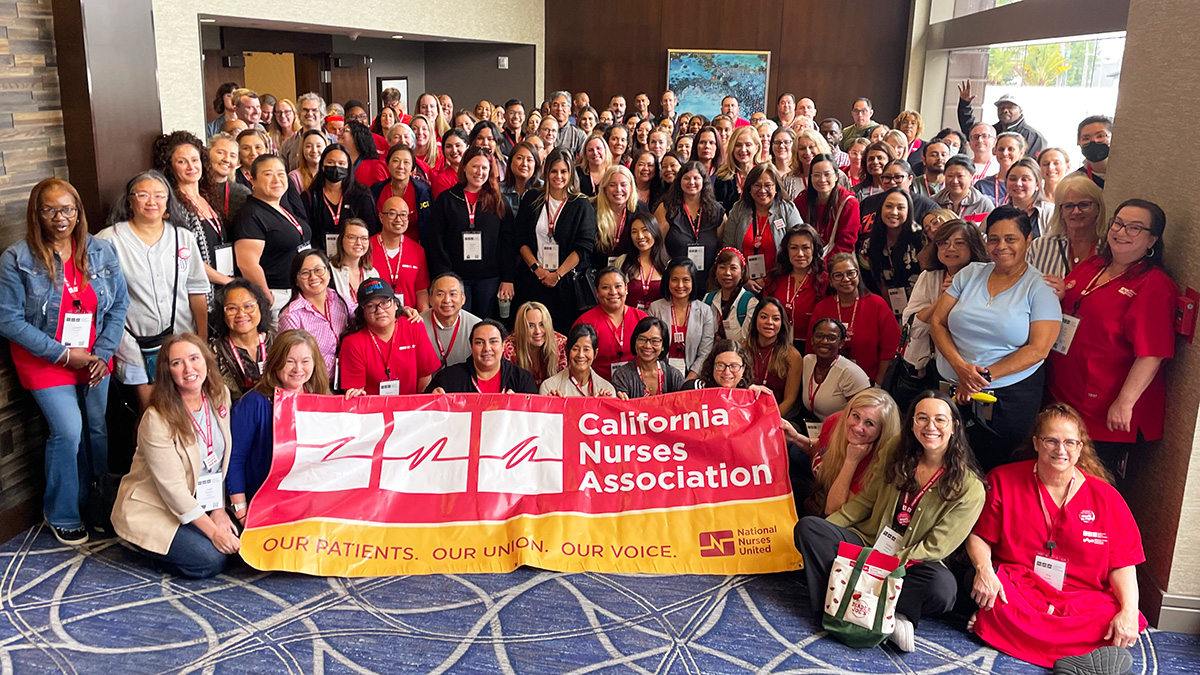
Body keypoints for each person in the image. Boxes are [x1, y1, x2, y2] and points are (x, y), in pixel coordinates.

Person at [798, 390, 985, 652]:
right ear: (912, 423)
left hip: (910, 563)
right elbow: (866, 501)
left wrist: (881, 567)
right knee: (810, 529)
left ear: (953, 427)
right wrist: (831, 526)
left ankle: (881, 609)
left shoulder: (970, 488)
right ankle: (834, 609)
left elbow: (936, 547)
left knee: (943, 588)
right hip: (869, 542)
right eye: (922, 418)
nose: (930, 426)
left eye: (939, 420)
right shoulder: (896, 450)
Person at [967, 404, 1146, 673]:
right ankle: (1084, 655)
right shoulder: (1003, 480)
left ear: (1081, 446)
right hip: (1022, 589)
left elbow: (1122, 564)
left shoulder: (1108, 498)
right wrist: (984, 570)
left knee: (1112, 613)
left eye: (1070, 442)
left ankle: (1025, 641)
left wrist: (1130, 610)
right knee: (999, 597)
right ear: (1037, 443)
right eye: (1051, 441)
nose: (1061, 450)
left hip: (1081, 597)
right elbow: (979, 536)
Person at [0, 179, 128, 544]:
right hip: (46, 359)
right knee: (69, 431)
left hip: (93, 357)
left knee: (97, 431)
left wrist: (102, 353)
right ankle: (62, 511)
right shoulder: (17, 259)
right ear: (36, 213)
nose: (60, 217)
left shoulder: (100, 251)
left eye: (68, 209)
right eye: (50, 209)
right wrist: (63, 355)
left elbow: (119, 304)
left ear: (78, 212)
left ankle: (99, 505)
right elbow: (7, 319)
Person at [1049, 199, 1175, 479]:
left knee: (1092, 488)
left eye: (1135, 228)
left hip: (1104, 408)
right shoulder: (1094, 264)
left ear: (1152, 239)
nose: (1121, 232)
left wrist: (1125, 402)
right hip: (1064, 393)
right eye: (1118, 223)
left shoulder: (1153, 285)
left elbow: (1152, 353)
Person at [930, 206, 1061, 471]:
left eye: (1010, 239)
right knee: (944, 463)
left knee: (995, 469)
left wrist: (980, 378)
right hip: (951, 385)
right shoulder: (969, 273)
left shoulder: (1040, 288)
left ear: (1028, 240)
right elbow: (937, 322)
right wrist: (960, 368)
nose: (1001, 246)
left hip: (1008, 398)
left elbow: (1038, 349)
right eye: (993, 239)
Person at [110, 334, 236, 578]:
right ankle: (141, 546)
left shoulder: (219, 395)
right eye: (177, 363)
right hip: (156, 507)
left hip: (199, 498)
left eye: (194, 358)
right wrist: (213, 532)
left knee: (239, 537)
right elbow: (173, 491)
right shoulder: (156, 418)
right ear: (168, 372)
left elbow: (216, 463)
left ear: (207, 362)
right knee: (211, 559)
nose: (189, 368)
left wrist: (219, 509)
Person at [99, 171, 209, 410]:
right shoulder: (108, 241)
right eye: (143, 195)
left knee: (186, 406)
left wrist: (201, 340)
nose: (152, 202)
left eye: (160, 196)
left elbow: (197, 292)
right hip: (132, 341)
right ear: (130, 201)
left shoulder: (184, 238)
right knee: (150, 412)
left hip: (181, 337)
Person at [228, 329, 332, 516]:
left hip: (310, 504)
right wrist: (242, 512)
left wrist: (352, 404)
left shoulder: (320, 396)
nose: (298, 369)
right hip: (264, 506)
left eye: (305, 361)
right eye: (290, 361)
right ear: (275, 362)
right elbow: (235, 459)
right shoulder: (253, 403)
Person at [900, 220, 989, 405]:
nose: (950, 248)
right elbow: (913, 328)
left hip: (973, 366)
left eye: (959, 243)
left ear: (972, 246)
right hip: (931, 364)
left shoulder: (986, 278)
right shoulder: (929, 276)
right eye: (944, 243)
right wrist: (944, 297)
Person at [427, 145, 515, 319]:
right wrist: (445, 276)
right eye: (475, 166)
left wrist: (508, 278)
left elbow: (508, 241)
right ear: (465, 166)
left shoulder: (499, 201)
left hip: (490, 279)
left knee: (485, 325)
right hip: (456, 279)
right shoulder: (447, 199)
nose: (479, 172)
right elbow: (435, 240)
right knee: (458, 325)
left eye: (484, 168)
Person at [515, 147, 596, 327]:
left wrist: (557, 275)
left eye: (563, 171)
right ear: (546, 171)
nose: (558, 176)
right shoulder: (531, 198)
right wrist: (538, 269)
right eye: (553, 171)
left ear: (570, 173)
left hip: (567, 283)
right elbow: (520, 239)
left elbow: (584, 247)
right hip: (533, 279)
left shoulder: (581, 204)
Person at [233, 155, 312, 322]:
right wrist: (267, 297)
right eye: (268, 174)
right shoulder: (251, 214)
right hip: (277, 295)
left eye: (281, 174)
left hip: (298, 292)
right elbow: (247, 264)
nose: (277, 179)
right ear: (251, 179)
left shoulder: (281, 207)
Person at [153, 131, 235, 289]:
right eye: (182, 162)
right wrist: (227, 281)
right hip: (200, 290)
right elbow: (187, 256)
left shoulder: (207, 197)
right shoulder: (174, 205)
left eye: (194, 160)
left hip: (223, 286)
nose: (191, 167)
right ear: (170, 167)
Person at [802, 387, 901, 517]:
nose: (858, 427)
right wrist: (795, 437)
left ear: (882, 432)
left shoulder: (882, 463)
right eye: (856, 416)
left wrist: (851, 461)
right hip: (820, 492)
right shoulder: (836, 422)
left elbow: (833, 511)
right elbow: (820, 450)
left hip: (841, 521)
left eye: (870, 423)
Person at [339, 278, 440, 396]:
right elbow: (356, 393)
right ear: (362, 312)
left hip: (412, 409)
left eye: (385, 302)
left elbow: (425, 375)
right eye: (371, 306)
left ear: (396, 305)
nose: (380, 310)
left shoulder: (413, 327)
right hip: (372, 411)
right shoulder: (352, 343)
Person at [811, 253, 900, 385]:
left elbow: (890, 349)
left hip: (870, 383)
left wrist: (879, 384)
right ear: (830, 280)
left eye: (851, 273)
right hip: (829, 384)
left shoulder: (877, 304)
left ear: (858, 275)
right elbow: (812, 349)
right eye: (838, 275)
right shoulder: (822, 308)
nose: (846, 279)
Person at [721, 164, 802, 290]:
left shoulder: (787, 210)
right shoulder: (738, 210)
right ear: (749, 188)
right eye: (757, 185)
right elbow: (729, 248)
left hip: (781, 281)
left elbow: (799, 246)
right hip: (743, 285)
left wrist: (774, 277)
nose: (762, 190)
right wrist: (743, 279)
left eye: (768, 185)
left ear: (776, 188)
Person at [276, 249, 348, 380]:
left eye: (318, 270)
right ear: (296, 280)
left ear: (329, 273)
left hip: (345, 379)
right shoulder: (291, 316)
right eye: (305, 273)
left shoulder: (339, 300)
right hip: (312, 385)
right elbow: (289, 362)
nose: (313, 277)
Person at [1027, 174, 1107, 282]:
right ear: (1060, 211)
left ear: (1098, 208)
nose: (1076, 211)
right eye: (1068, 206)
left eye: (1084, 204)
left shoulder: (1109, 249)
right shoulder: (1039, 247)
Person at [573, 267, 649, 380]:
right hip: (597, 387)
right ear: (597, 292)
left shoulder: (641, 319)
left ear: (626, 288)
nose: (613, 292)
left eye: (618, 286)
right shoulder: (585, 322)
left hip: (636, 383)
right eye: (605, 288)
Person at [427, 319, 539, 394]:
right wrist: (432, 402)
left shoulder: (521, 379)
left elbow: (536, 420)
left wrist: (519, 407)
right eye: (479, 342)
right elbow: (422, 413)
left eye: (493, 341)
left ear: (503, 345)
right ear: (471, 346)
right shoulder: (449, 377)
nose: (487, 348)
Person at [647, 257, 714, 380]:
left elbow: (706, 353)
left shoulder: (705, 311)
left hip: (693, 375)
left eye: (686, 280)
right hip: (660, 374)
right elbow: (650, 347)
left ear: (693, 281)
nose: (680, 285)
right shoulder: (655, 308)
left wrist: (689, 379)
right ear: (667, 281)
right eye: (674, 280)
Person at [303, 143, 379, 250]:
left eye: (341, 163)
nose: (336, 167)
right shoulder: (310, 196)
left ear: (348, 167)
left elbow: (371, 228)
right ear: (322, 165)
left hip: (355, 255)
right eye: (330, 162)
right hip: (320, 257)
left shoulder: (361, 194)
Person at [763, 226, 827, 351]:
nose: (800, 254)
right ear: (786, 250)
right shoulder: (774, 278)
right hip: (777, 346)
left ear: (814, 249)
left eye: (805, 247)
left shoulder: (825, 281)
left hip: (814, 349)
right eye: (794, 248)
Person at [209, 278, 274, 403]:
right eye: (232, 308)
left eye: (248, 306)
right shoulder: (212, 352)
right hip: (234, 418)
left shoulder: (277, 342)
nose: (241, 314)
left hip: (278, 416)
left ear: (260, 307)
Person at [655, 160, 725, 273]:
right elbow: (657, 244)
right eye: (686, 178)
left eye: (696, 178)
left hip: (709, 279)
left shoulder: (717, 211)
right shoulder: (666, 208)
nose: (691, 182)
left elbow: (722, 246)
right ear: (679, 181)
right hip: (675, 278)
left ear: (704, 181)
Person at [742, 297, 802, 418]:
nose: (769, 322)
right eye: (764, 317)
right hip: (745, 413)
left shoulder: (792, 355)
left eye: (775, 319)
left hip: (777, 417)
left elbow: (790, 400)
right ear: (755, 320)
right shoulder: (742, 349)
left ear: (782, 323)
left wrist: (768, 420)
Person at [862, 187, 922, 307]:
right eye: (889, 206)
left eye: (901, 208)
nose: (894, 212)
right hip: (888, 305)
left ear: (909, 211)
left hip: (920, 305)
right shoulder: (871, 242)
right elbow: (873, 277)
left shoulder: (920, 239)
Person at [802, 318, 871, 421]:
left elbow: (864, 416)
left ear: (841, 343)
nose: (824, 341)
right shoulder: (807, 361)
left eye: (832, 338)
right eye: (819, 336)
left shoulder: (850, 373)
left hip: (843, 430)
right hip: (814, 425)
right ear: (812, 339)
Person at [795, 154, 859, 259]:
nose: (822, 179)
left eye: (827, 174)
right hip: (806, 262)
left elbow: (845, 245)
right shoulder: (801, 201)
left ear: (836, 176)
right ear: (810, 178)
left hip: (836, 264)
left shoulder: (849, 203)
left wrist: (820, 266)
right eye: (816, 175)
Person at [371, 198, 429, 312]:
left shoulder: (417, 250)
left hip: (409, 319)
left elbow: (421, 292)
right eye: (392, 214)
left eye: (403, 215)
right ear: (381, 217)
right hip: (376, 318)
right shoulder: (367, 248)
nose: (399, 219)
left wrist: (423, 321)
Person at [957, 84, 1046, 156]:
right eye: (1001, 107)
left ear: (1020, 110)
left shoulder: (1034, 137)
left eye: (1010, 107)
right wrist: (965, 105)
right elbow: (971, 131)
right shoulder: (993, 131)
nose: (1005, 110)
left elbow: (1035, 167)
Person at [610, 316, 687, 398]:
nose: (647, 346)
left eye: (655, 341)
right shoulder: (622, 376)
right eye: (642, 339)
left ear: (663, 345)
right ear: (634, 341)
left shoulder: (675, 376)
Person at [371, 145, 433, 244]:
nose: (401, 166)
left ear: (412, 166)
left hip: (415, 247)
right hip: (382, 245)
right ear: (388, 164)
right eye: (396, 161)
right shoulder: (377, 190)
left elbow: (428, 227)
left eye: (406, 162)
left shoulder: (422, 192)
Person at [422, 272, 481, 369]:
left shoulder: (477, 326)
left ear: (463, 299)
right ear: (430, 298)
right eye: (440, 294)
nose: (447, 300)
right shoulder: (417, 324)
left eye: (453, 294)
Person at [539, 323, 617, 397]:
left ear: (595, 353)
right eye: (575, 349)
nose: (580, 355)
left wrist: (604, 404)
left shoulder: (607, 390)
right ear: (567, 350)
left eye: (586, 349)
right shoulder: (549, 387)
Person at [616, 210, 670, 312]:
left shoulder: (668, 264)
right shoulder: (622, 261)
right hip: (629, 321)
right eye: (634, 232)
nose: (640, 236)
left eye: (645, 230)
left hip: (659, 323)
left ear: (655, 231)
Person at [703, 248, 759, 344]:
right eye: (722, 267)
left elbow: (747, 342)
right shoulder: (708, 299)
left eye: (733, 268)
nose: (727, 273)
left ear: (742, 272)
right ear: (715, 271)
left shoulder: (750, 303)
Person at [502, 301, 566, 385]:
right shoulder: (507, 348)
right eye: (531, 326)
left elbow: (565, 383)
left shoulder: (561, 343)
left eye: (542, 324)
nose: (538, 331)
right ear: (521, 328)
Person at [591, 165, 642, 271]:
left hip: (628, 272)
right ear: (604, 188)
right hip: (595, 272)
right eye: (612, 185)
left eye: (623, 185)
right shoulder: (591, 208)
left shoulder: (640, 209)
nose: (618, 190)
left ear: (631, 187)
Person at [328, 218, 379, 310]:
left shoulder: (372, 273)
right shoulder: (328, 270)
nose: (358, 243)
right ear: (341, 240)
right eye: (352, 237)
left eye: (364, 238)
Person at [934, 156, 994, 228]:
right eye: (950, 176)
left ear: (971, 177)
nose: (955, 181)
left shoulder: (983, 204)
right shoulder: (933, 202)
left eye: (960, 176)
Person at [712, 125, 760, 212]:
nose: (743, 149)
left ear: (756, 148)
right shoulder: (722, 177)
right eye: (738, 145)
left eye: (748, 145)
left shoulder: (764, 174)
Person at [206, 133, 252, 222]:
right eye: (221, 153)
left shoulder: (242, 193)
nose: (227, 159)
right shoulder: (196, 189)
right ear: (207, 153)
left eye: (233, 156)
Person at [1004, 157, 1054, 238]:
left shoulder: (1051, 212)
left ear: (1037, 185)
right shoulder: (997, 213)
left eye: (1025, 179)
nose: (1018, 183)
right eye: (1013, 179)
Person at [975, 132, 1027, 206]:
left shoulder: (1025, 186)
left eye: (1010, 149)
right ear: (995, 152)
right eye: (1001, 149)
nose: (1005, 153)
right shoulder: (982, 185)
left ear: (1021, 154)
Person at [281, 93, 326, 171]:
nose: (309, 113)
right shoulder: (288, 145)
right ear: (299, 114)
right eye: (305, 110)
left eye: (314, 110)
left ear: (322, 115)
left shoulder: (334, 141)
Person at [1075, 114, 1113, 188]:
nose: (1094, 141)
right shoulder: (1075, 181)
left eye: (1100, 136)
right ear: (1078, 142)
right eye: (1086, 138)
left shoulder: (1129, 173)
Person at [548, 91, 586, 157]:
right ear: (550, 110)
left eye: (563, 105)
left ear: (569, 110)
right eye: (555, 105)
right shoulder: (542, 132)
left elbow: (584, 160)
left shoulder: (579, 134)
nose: (559, 109)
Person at [409, 114, 441, 181]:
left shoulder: (440, 155)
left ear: (430, 132)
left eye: (424, 129)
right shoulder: (405, 155)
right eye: (415, 129)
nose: (420, 132)